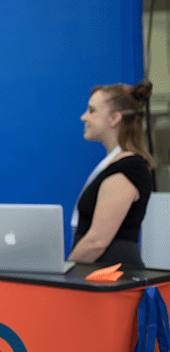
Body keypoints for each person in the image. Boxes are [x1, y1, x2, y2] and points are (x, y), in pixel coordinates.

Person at [68, 80, 155, 267]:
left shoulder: (128, 168)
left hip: (113, 282)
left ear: (115, 119)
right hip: (99, 277)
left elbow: (96, 242)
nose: (84, 117)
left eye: (92, 111)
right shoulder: (114, 165)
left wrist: (64, 271)